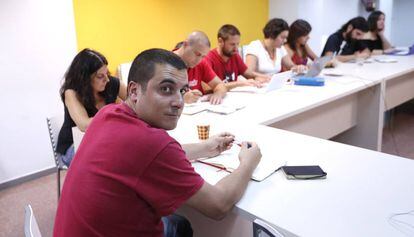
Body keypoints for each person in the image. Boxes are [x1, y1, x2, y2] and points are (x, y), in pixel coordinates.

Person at [53, 48, 262, 237]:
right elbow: (219, 205)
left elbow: (150, 157)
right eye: (166, 89)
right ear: (133, 91)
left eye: (182, 91)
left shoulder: (108, 113)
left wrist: (207, 147)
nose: (179, 102)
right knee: (181, 226)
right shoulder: (152, 143)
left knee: (178, 223)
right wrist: (248, 162)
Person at [56, 48, 127, 166]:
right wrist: (118, 114)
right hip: (73, 144)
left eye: (107, 73)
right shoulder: (72, 93)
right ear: (85, 78)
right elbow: (85, 125)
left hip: (101, 139)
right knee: (110, 159)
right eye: (100, 76)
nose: (107, 79)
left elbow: (137, 104)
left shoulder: (112, 83)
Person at [204, 24, 269, 90]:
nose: (236, 48)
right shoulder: (208, 58)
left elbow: (248, 73)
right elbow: (207, 87)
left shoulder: (234, 55)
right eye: (232, 44)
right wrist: (241, 83)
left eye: (237, 44)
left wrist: (266, 77)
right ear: (220, 41)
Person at [173, 31, 227, 104]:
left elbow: (220, 85)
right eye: (197, 54)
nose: (198, 60)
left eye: (203, 56)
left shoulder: (201, 63)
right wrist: (181, 97)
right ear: (185, 45)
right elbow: (157, 97)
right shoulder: (166, 63)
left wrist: (218, 94)